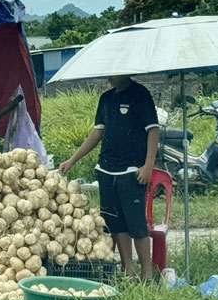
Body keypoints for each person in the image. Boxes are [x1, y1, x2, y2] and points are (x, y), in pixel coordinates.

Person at [59, 75, 159, 280]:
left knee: (136, 224)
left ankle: (147, 276)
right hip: (106, 170)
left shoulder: (140, 94)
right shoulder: (106, 98)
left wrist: (148, 165)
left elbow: (153, 130)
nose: (108, 78)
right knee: (117, 224)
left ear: (124, 71)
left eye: (113, 74)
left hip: (132, 171)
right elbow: (97, 134)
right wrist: (72, 160)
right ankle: (128, 271)